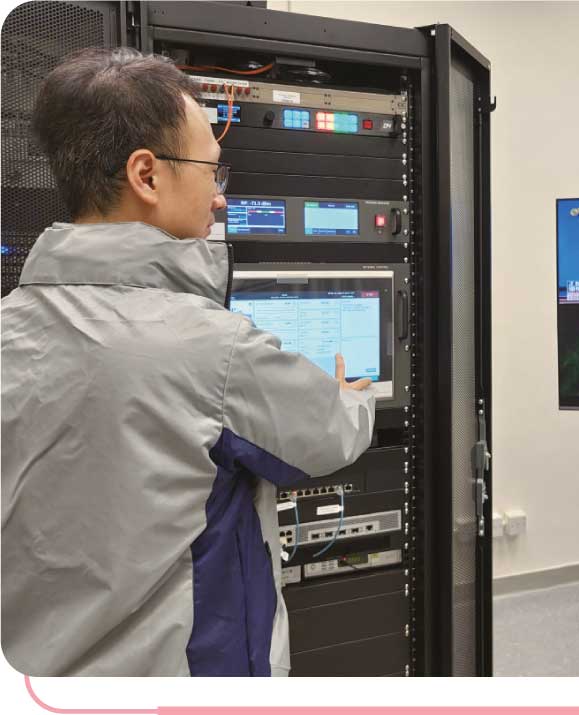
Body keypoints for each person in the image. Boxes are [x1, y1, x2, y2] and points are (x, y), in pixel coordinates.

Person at [1, 48, 376, 676]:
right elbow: (329, 435)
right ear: (147, 175)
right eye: (211, 170)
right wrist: (354, 394)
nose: (220, 197)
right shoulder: (213, 349)